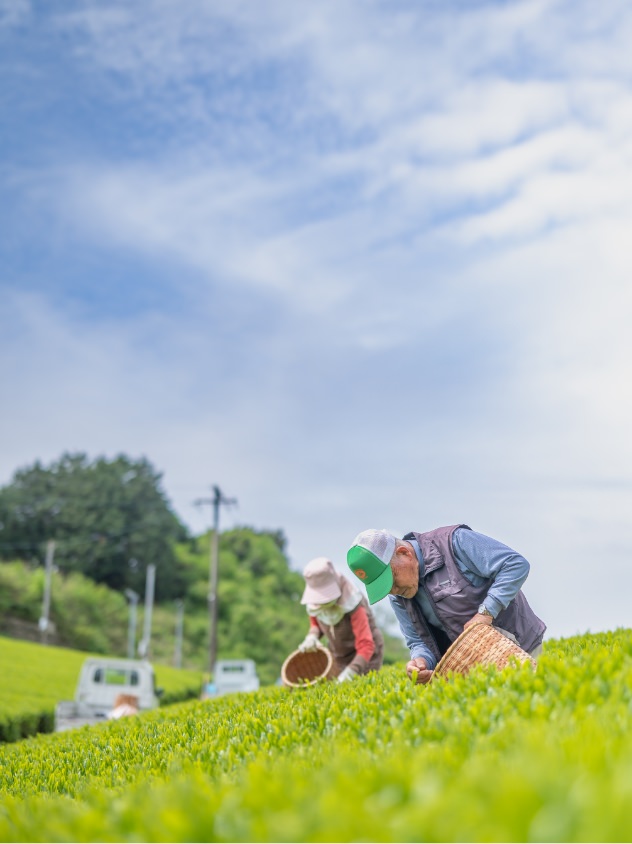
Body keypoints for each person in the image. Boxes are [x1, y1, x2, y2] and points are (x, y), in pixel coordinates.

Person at [346, 524, 546, 684]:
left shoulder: (454, 542)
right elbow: (417, 642)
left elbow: (514, 564)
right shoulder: (398, 595)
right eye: (384, 586)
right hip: (471, 672)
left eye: (391, 578)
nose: (392, 590)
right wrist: (420, 661)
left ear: (404, 553)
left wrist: (486, 612)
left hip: (522, 649)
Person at [297, 556, 384, 682]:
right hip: (339, 656)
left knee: (362, 686)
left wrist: (351, 671)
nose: (321, 604)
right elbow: (316, 624)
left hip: (366, 657)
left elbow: (366, 644)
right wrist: (312, 637)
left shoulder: (352, 602)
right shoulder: (315, 604)